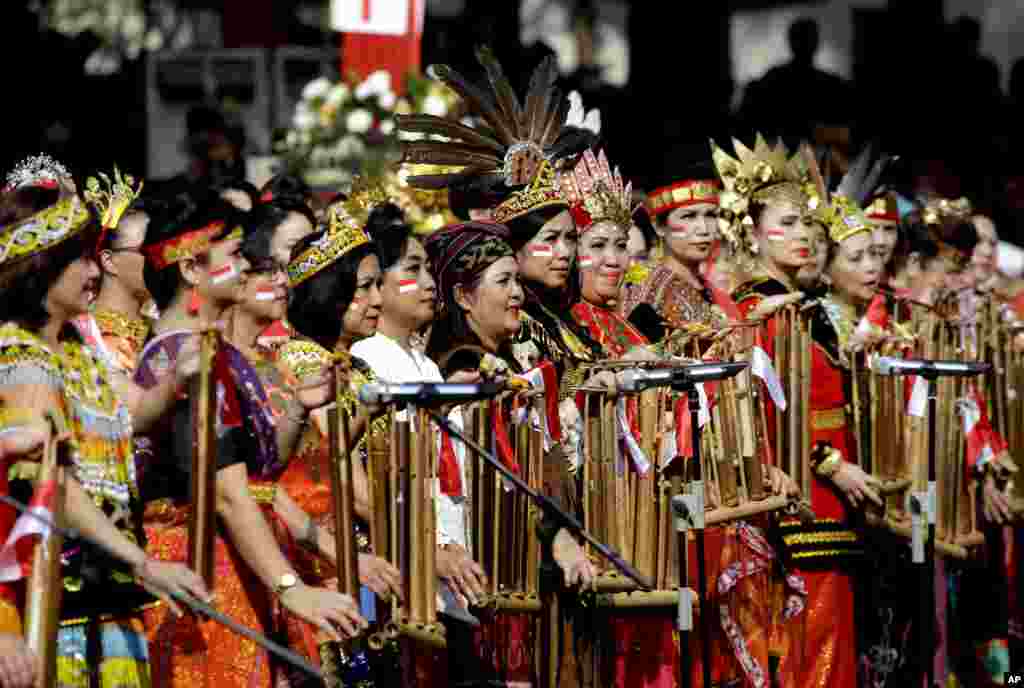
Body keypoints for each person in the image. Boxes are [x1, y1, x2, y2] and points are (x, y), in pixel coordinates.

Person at [134, 191, 366, 688]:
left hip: (240, 561)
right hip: (201, 568)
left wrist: (298, 411)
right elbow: (226, 490)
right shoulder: (182, 355)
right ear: (192, 270)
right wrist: (290, 588)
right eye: (235, 257)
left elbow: (259, 477)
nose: (248, 268)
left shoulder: (216, 350)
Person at [0, 170, 212, 688]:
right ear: (40, 268)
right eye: (80, 258)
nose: (95, 270)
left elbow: (133, 412)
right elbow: (53, 484)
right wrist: (142, 561)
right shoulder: (22, 359)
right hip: (55, 608)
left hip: (104, 595)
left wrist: (178, 380)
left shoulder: (75, 351)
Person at [234, 194, 403, 685]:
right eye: (365, 287)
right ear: (332, 292)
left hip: (355, 553)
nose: (377, 300)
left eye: (379, 285)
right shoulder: (306, 362)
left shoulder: (353, 362)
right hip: (321, 555)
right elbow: (344, 474)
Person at [618, 163, 731, 329]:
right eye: (689, 216)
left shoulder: (715, 292)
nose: (704, 229)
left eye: (710, 215)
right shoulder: (645, 291)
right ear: (659, 226)